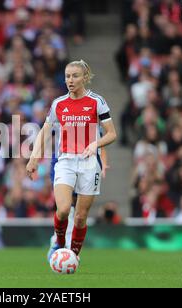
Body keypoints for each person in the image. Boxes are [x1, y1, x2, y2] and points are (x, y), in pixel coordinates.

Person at [26, 60, 117, 262]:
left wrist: (96, 145)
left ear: (84, 78)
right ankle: (59, 244)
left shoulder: (97, 102)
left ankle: (72, 256)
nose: (70, 80)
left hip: (89, 163)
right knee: (64, 209)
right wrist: (34, 158)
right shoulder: (59, 104)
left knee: (81, 216)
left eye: (75, 76)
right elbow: (45, 131)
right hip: (65, 161)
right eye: (67, 76)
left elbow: (111, 134)